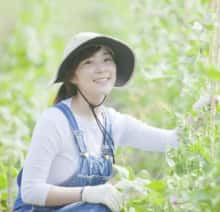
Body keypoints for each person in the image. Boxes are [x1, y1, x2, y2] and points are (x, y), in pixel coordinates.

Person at [13, 32, 180, 211]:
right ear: (72, 76)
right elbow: (30, 191)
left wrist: (199, 112)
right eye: (88, 62)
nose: (101, 69)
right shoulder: (54, 121)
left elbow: (170, 141)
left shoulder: (114, 123)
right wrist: (86, 193)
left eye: (107, 60)